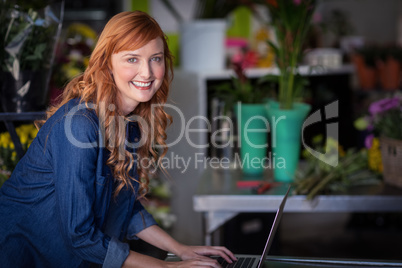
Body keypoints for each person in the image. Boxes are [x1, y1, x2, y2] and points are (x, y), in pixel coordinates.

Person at [0, 11, 236, 267]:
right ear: (106, 64)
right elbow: (80, 236)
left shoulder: (130, 124)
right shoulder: (79, 126)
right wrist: (165, 266)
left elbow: (124, 206)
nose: (146, 72)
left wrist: (180, 249)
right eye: (132, 59)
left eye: (155, 59)